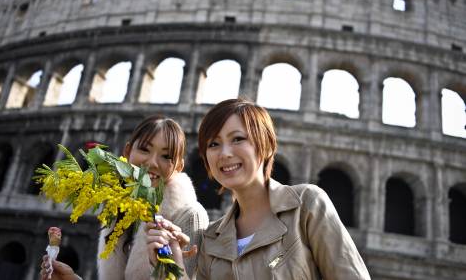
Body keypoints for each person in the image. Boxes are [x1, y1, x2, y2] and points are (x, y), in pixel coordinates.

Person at [146, 98, 371, 279]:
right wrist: (172, 268)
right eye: (213, 144)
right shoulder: (211, 239)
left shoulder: (306, 205)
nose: (224, 153)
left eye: (237, 139)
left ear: (266, 146)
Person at [40, 115, 209, 280]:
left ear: (178, 166)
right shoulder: (119, 211)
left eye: (166, 156)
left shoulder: (191, 216)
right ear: (127, 151)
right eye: (144, 149)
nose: (152, 162)